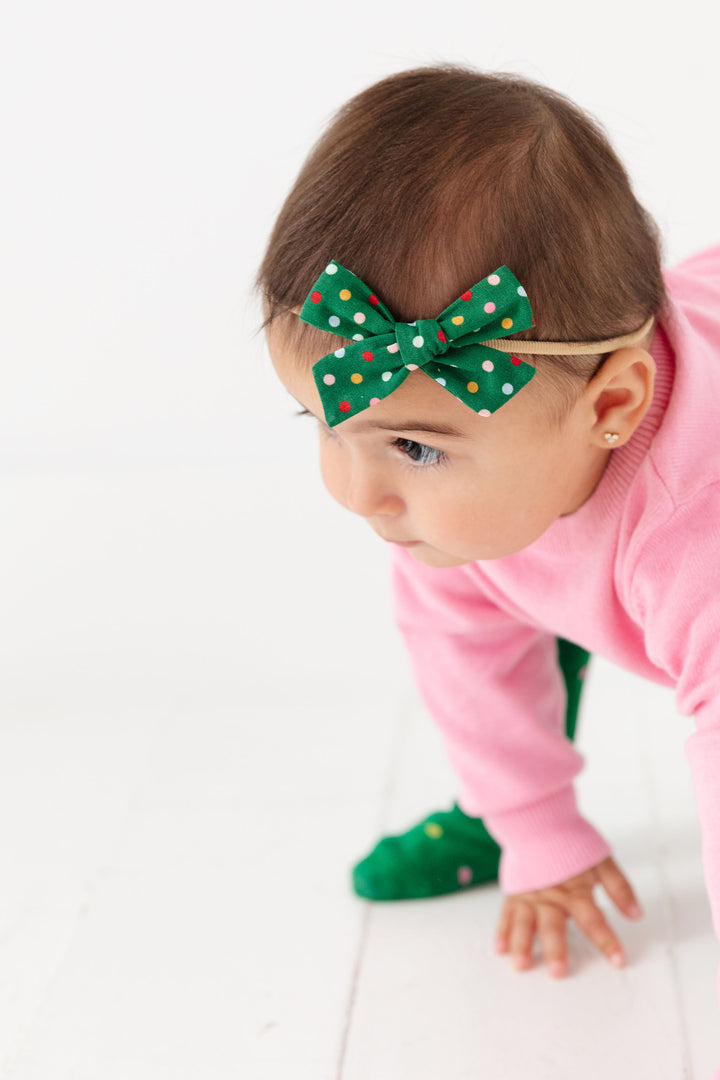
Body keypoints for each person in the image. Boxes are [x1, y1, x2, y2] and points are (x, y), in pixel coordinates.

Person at [253, 63, 720, 1072]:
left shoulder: (699, 541)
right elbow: (463, 645)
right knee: (501, 590)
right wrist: (534, 828)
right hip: (557, 520)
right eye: (327, 423)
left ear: (611, 409)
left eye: (413, 446)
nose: (354, 490)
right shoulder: (462, 500)